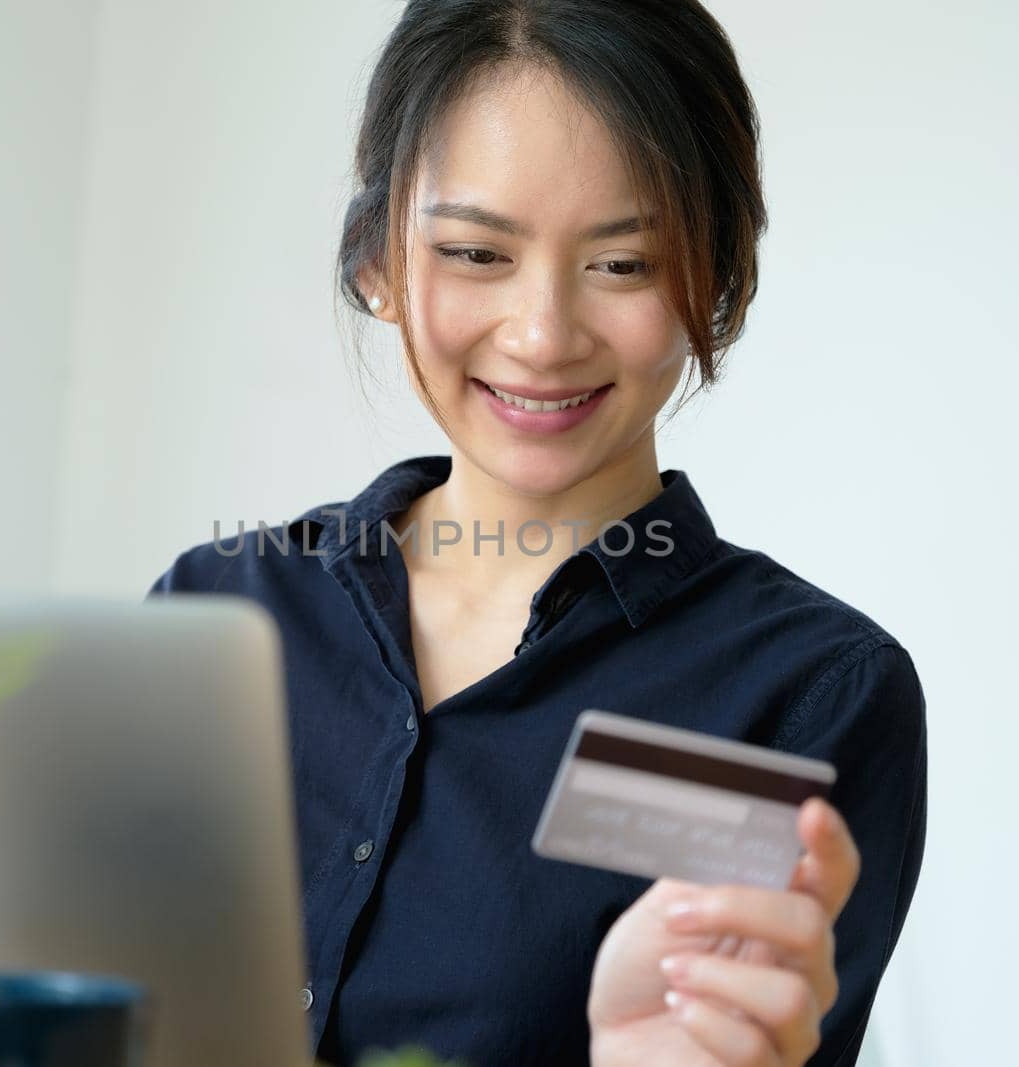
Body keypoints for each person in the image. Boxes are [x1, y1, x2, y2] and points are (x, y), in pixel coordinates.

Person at [147, 2, 928, 1064]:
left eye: (623, 265)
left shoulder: (797, 698)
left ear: (721, 276)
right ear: (376, 259)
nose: (541, 335)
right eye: (475, 251)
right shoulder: (220, 614)